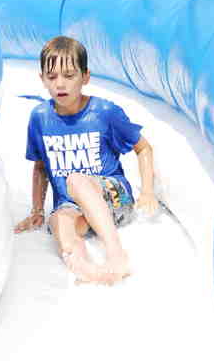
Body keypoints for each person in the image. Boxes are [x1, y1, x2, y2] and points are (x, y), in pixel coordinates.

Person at [14, 35, 158, 285]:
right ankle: (88, 271)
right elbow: (40, 168)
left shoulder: (104, 112)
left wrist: (147, 192)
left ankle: (116, 255)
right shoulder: (39, 118)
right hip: (73, 208)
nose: (60, 84)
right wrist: (37, 210)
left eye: (69, 76)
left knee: (76, 180)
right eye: (52, 77)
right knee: (59, 223)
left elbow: (143, 148)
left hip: (114, 199)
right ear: (42, 79)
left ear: (85, 76)